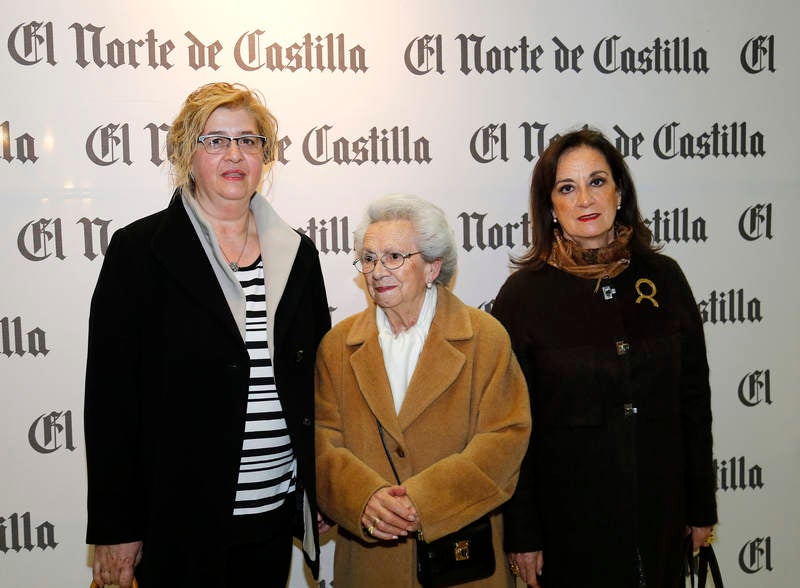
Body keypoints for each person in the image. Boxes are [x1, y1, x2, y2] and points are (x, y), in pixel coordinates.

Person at [84, 82, 331, 587]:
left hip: (272, 515)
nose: (235, 154)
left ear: (266, 155)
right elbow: (110, 402)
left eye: (249, 140)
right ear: (186, 155)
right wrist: (117, 528)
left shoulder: (297, 255)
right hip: (177, 523)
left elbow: (319, 387)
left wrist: (318, 488)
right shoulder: (139, 253)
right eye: (215, 141)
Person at [492, 128, 717, 588]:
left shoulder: (666, 278)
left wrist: (700, 507)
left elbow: (693, 401)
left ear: (620, 191)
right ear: (550, 206)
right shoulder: (523, 296)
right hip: (569, 529)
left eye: (597, 181)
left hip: (660, 515)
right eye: (566, 188)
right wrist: (524, 532)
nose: (584, 200)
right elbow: (511, 427)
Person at [314, 194, 531, 587]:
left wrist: (425, 500)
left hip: (464, 564)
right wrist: (362, 499)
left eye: (394, 256)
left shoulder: (484, 338)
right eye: (368, 258)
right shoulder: (337, 346)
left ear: (433, 267)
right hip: (370, 566)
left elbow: (505, 438)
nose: (378, 270)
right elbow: (322, 442)